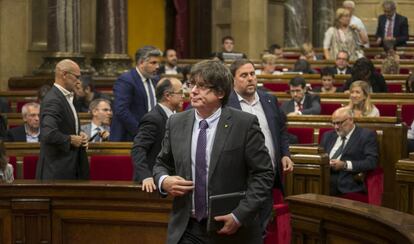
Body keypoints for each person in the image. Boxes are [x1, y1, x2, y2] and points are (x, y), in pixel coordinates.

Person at [153, 60, 274, 244]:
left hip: (233, 230)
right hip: (187, 227)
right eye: (192, 84)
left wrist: (240, 215)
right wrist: (164, 181)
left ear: (220, 92)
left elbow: (263, 174)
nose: (192, 91)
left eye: (201, 86)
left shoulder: (244, 124)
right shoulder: (176, 122)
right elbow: (161, 164)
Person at [227, 59, 293, 234]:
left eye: (252, 74)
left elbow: (281, 129)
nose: (250, 78)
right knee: (242, 231)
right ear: (233, 80)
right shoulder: (226, 105)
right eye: (244, 75)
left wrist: (285, 154)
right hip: (240, 181)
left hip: (267, 177)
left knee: (263, 228)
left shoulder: (269, 99)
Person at [36, 59, 89, 180]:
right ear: (64, 74)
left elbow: (64, 126)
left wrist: (79, 134)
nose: (78, 82)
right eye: (76, 77)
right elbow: (48, 133)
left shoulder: (66, 96)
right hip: (58, 171)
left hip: (69, 167)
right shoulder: (53, 99)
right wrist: (70, 139)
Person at [131, 78, 184, 192]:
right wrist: (145, 176)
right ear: (168, 95)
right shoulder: (152, 118)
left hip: (171, 180)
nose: (183, 96)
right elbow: (138, 149)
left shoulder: (177, 117)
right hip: (153, 183)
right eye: (180, 92)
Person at [320, 107, 378, 196]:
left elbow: (371, 162)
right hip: (323, 178)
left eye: (339, 123)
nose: (336, 127)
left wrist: (345, 165)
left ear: (350, 120)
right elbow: (320, 156)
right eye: (334, 123)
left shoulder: (366, 135)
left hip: (346, 181)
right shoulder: (327, 136)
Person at [110, 45, 162, 141]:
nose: (157, 66)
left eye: (158, 63)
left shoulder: (156, 80)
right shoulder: (126, 80)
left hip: (152, 136)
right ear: (141, 62)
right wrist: (141, 132)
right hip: (129, 137)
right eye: (153, 63)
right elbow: (121, 110)